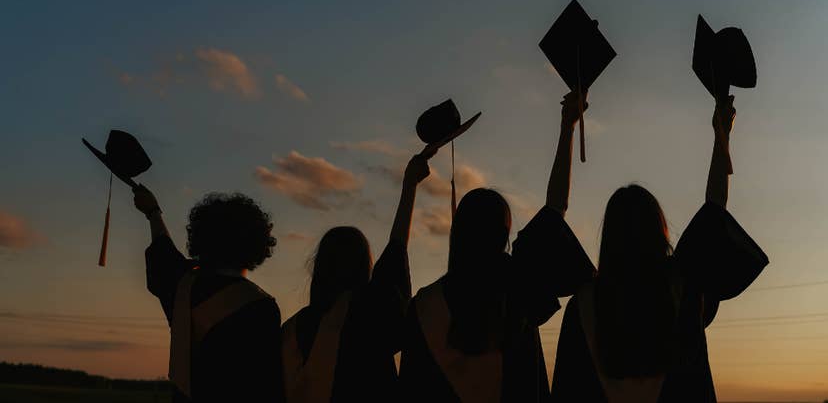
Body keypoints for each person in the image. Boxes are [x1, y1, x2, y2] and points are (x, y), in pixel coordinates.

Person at [549, 94, 769, 402]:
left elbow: (552, 218)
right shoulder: (684, 293)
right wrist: (722, 134)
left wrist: (567, 128)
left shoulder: (583, 307)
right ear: (659, 234)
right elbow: (714, 213)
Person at [398, 93, 595, 403]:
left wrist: (409, 187)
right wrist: (567, 127)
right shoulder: (519, 282)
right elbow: (556, 208)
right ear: (504, 234)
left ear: (458, 235)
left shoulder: (424, 307)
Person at [280, 150, 433, 402]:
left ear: (318, 267)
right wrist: (409, 186)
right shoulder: (368, 312)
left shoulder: (291, 331)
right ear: (364, 266)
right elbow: (395, 256)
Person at [132, 186, 283, 403]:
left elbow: (163, 253)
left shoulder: (181, 285)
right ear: (258, 241)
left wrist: (153, 212)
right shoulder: (261, 308)